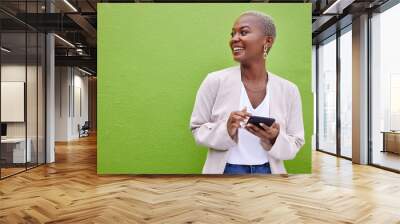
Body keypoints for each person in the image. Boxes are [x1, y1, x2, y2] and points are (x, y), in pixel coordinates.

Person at [189, 11, 304, 174]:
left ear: (268, 41)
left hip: (269, 172)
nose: (234, 38)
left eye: (243, 32)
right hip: (224, 172)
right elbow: (197, 128)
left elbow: (296, 142)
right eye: (233, 33)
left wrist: (274, 137)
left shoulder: (288, 90)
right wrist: (226, 129)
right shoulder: (214, 81)